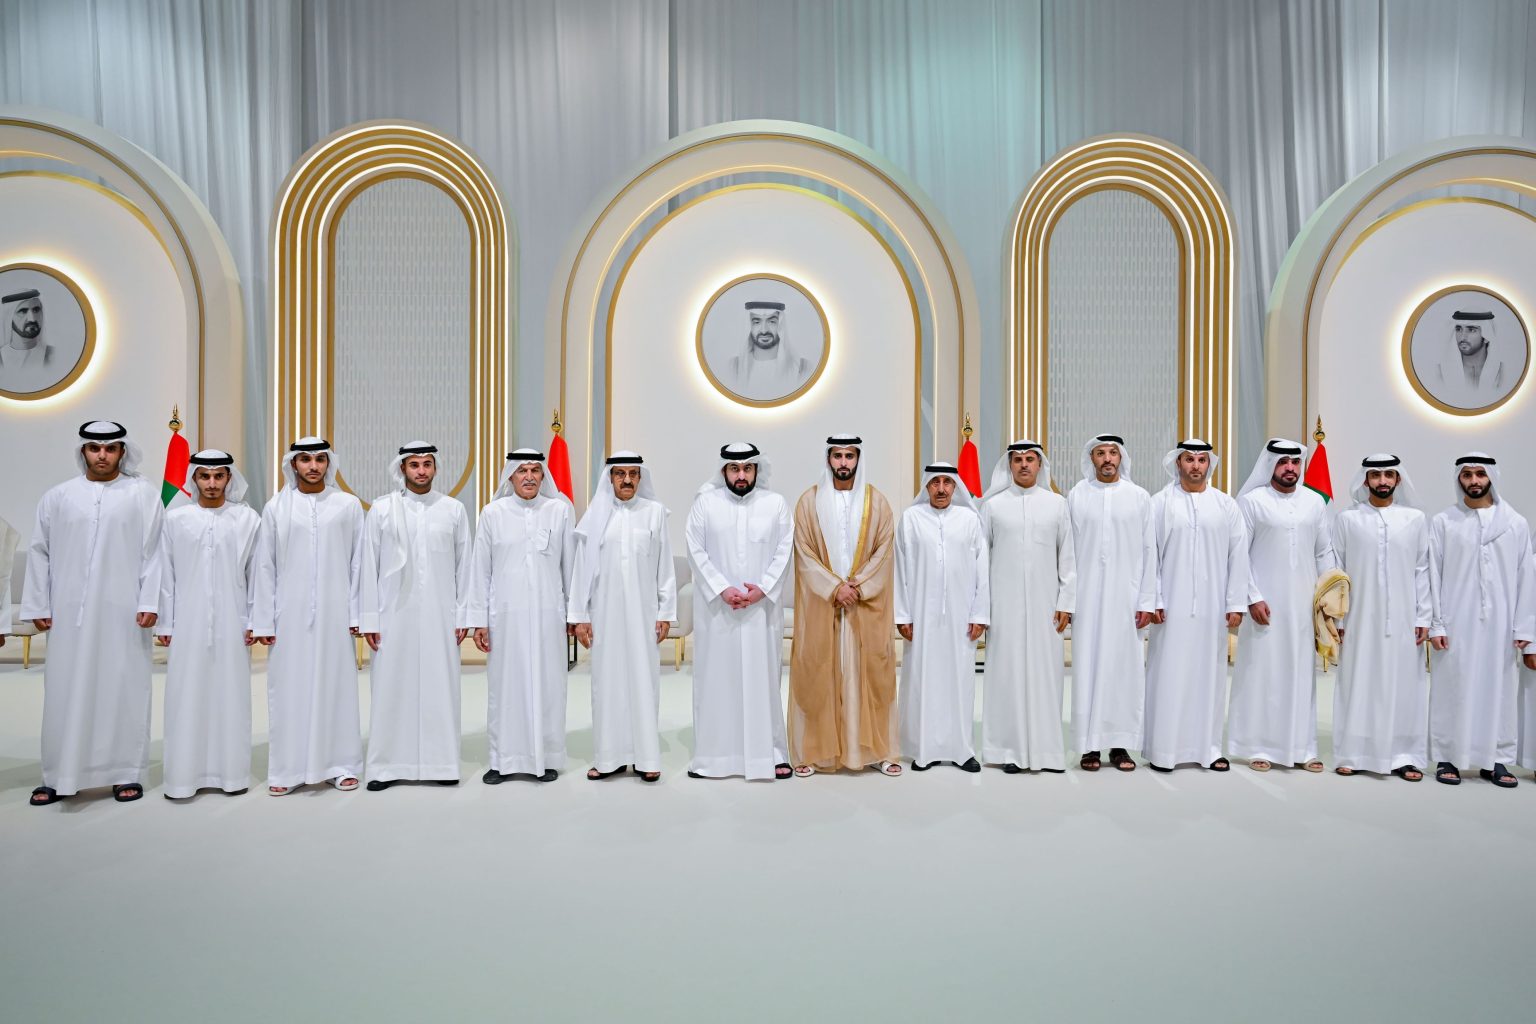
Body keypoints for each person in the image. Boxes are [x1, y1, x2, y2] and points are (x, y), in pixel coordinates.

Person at [24, 421, 163, 805]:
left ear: (122, 452)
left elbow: (155, 551)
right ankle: (58, 775)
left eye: (110, 448)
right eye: (95, 448)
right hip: (69, 612)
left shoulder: (142, 494)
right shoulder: (59, 497)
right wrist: (38, 603)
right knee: (64, 689)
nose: (102, 455)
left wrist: (150, 601)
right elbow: (39, 551)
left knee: (123, 688)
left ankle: (124, 773)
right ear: (83, 451)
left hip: (125, 613)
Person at [251, 438, 376, 796]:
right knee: (288, 689)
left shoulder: (347, 506)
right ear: (293, 464)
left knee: (337, 687)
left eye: (320, 459)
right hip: (288, 615)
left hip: (336, 614)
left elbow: (359, 563)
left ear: (328, 463)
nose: (313, 466)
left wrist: (357, 613)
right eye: (305, 459)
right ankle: (287, 770)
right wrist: (263, 619)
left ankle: (341, 766)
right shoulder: (276, 508)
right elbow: (265, 566)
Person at [787, 434, 900, 777]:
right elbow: (804, 552)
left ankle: (877, 751)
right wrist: (833, 588)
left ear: (858, 459)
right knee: (817, 675)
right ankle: (815, 753)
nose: (843, 463)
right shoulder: (809, 502)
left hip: (863, 608)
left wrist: (858, 587)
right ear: (828, 459)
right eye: (837, 456)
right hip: (824, 606)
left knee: (872, 677)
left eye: (849, 456)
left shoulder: (877, 503)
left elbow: (884, 551)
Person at [362, 442, 471, 791]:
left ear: (435, 468)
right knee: (391, 687)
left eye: (427, 464)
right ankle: (386, 767)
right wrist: (369, 619)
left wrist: (463, 616)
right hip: (393, 616)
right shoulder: (382, 510)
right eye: (414, 465)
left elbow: (465, 567)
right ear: (402, 469)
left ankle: (442, 764)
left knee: (441, 687)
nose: (421, 471)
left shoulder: (453, 510)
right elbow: (367, 566)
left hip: (441, 614)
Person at [155, 449, 261, 799]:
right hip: (187, 622)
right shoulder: (175, 520)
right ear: (194, 479)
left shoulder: (248, 519)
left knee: (232, 697)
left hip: (234, 622)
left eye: (219, 476)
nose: (212, 483)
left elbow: (257, 575)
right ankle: (182, 778)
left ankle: (232, 775)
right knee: (185, 696)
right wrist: (166, 624)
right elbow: (165, 574)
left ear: (229, 478)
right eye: (205, 476)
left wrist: (254, 619)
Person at [685, 442, 794, 781]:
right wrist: (722, 588)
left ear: (757, 470)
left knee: (764, 681)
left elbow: (784, 550)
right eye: (735, 469)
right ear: (724, 471)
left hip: (761, 613)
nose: (741, 475)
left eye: (748, 468)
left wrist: (763, 588)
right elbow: (695, 551)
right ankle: (714, 757)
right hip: (718, 612)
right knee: (717, 682)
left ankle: (771, 754)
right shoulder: (705, 504)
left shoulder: (776, 505)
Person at [1229, 438, 1337, 773]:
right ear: (1270, 465)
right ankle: (1257, 746)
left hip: (1304, 607)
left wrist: (1328, 597)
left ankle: (1302, 748)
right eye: (1282, 462)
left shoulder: (1314, 503)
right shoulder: (1252, 502)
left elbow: (1323, 551)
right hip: (1264, 606)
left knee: (1301, 675)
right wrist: (1252, 596)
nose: (1290, 468)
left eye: (1295, 462)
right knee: (1262, 674)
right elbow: (1239, 554)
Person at [1427, 454, 1535, 787]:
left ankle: (1496, 760)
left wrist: (1525, 627)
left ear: (1491, 477)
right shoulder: (1444, 522)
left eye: (1480, 474)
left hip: (1501, 624)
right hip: (1455, 621)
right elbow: (1433, 574)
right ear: (1458, 479)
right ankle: (1448, 757)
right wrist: (1437, 623)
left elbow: (1526, 577)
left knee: (1498, 690)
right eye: (1467, 475)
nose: (1474, 481)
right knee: (1453, 688)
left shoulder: (1515, 523)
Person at [466, 449, 574, 783]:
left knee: (549, 686)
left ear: (543, 476)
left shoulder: (559, 511)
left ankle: (547, 757)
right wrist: (478, 620)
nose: (528, 477)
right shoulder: (492, 513)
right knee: (504, 689)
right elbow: (480, 570)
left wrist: (575, 614)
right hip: (505, 618)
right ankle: (502, 760)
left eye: (535, 470)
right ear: (510, 475)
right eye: (522, 470)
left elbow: (571, 566)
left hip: (548, 617)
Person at [568, 452, 676, 782]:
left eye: (633, 474)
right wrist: (579, 616)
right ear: (610, 478)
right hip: (604, 615)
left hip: (644, 614)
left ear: (640, 477)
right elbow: (580, 570)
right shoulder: (595, 515)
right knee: (607, 684)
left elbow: (665, 567)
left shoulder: (655, 513)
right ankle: (608, 759)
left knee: (644, 682)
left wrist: (665, 612)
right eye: (620, 474)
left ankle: (646, 758)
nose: (627, 480)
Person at [1143, 440, 1247, 772]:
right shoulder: (1160, 503)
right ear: (1178, 463)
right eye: (1189, 459)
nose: (1196, 466)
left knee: (1210, 677)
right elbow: (1150, 555)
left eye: (1202, 460)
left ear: (1209, 464)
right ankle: (1163, 751)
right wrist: (1155, 598)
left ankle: (1209, 749)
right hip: (1170, 610)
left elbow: (1238, 555)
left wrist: (1235, 602)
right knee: (1168, 675)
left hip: (1212, 608)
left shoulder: (1225, 505)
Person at [1331, 455, 1430, 782]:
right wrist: (1338, 621)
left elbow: (1422, 570)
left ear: (1398, 479)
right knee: (1358, 682)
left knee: (1404, 685)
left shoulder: (1415, 519)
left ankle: (1404, 756)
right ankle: (1352, 753)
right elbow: (1337, 572)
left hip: (1404, 618)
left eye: (1389, 475)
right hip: (1358, 618)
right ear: (1365, 479)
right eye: (1375, 475)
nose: (1382, 481)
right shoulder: (1348, 519)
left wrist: (1424, 617)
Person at [979, 440, 1074, 773]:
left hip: (1047, 608)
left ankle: (1047, 753)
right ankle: (1008, 750)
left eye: (1030, 459)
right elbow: (981, 561)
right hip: (1003, 608)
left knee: (1046, 677)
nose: (1023, 465)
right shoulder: (992, 507)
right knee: (1006, 677)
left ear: (1039, 464)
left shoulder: (1057, 505)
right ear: (1009, 465)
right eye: (1017, 459)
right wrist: (982, 608)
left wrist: (1066, 602)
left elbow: (1068, 558)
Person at [1065, 433, 1156, 773]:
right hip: (1087, 598)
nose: (1107, 459)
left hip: (1127, 599)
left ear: (1121, 458)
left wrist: (1147, 599)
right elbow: (1068, 553)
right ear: (1091, 459)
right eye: (1100, 453)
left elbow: (1149, 551)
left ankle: (1120, 745)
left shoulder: (1139, 497)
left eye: (1113, 453)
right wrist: (1068, 599)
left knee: (1124, 669)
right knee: (1087, 668)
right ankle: (1089, 745)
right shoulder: (1077, 496)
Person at [895, 462, 989, 772]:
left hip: (962, 617)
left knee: (961, 681)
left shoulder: (970, 520)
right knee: (923, 680)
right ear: (926, 486)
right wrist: (903, 614)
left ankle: (962, 750)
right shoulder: (911, 519)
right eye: (935, 482)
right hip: (922, 615)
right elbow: (900, 570)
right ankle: (924, 749)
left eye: (947, 482)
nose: (941, 488)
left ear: (955, 487)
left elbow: (982, 571)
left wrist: (980, 613)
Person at [725, 300, 813, 400]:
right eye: (756, 322)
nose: (764, 330)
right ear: (749, 326)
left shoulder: (802, 368)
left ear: (780, 325)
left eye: (772, 322)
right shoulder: (734, 367)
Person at [1432, 310, 1509, 408]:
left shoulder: (1502, 372)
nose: (1463, 337)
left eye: (1471, 330)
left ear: (1486, 336)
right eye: (1459, 329)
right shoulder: (1440, 372)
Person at [0, 288, 55, 392]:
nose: (32, 319)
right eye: (23, 311)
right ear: (9, 317)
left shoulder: (52, 355)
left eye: (36, 310)